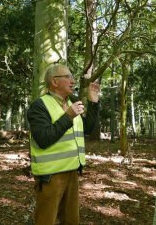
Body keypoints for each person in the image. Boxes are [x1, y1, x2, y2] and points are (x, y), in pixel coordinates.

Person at [27, 64, 100, 225]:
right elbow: (43, 138)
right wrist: (68, 116)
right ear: (54, 81)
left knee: (71, 221)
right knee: (46, 221)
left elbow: (87, 128)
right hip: (50, 177)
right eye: (68, 77)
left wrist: (93, 103)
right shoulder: (39, 106)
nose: (73, 81)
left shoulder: (71, 102)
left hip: (72, 172)